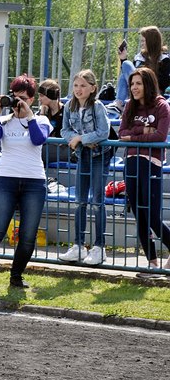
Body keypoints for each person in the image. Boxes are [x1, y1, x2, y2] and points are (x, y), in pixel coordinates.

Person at [0, 74, 53, 294]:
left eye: (23, 99)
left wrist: (29, 116)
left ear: (32, 99)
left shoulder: (41, 121)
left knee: (27, 235)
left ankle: (16, 276)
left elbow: (38, 139)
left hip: (34, 181)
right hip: (6, 179)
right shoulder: (3, 120)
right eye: (15, 97)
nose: (18, 102)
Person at [117, 67, 170, 279]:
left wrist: (133, 137)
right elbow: (121, 133)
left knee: (152, 216)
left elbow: (160, 136)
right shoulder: (130, 106)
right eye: (132, 84)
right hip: (131, 162)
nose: (134, 87)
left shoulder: (161, 106)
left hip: (151, 163)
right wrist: (141, 132)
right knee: (139, 215)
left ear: (148, 84)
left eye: (138, 83)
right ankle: (152, 263)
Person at [58, 69, 111, 266]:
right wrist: (75, 139)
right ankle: (78, 245)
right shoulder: (69, 106)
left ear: (92, 88)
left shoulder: (97, 106)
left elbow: (104, 131)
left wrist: (82, 138)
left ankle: (99, 247)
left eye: (83, 86)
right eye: (75, 85)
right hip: (83, 155)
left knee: (97, 201)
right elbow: (64, 130)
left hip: (99, 156)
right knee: (80, 201)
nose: (78, 89)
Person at [38, 78, 69, 166]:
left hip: (63, 148)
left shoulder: (67, 112)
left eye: (41, 96)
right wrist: (42, 114)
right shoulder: (42, 112)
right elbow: (38, 134)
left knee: (40, 153)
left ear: (51, 95)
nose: (39, 99)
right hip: (47, 147)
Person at [133, 26, 170, 94]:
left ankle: (120, 100)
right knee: (126, 64)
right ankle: (120, 100)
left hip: (152, 91)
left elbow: (164, 83)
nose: (141, 44)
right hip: (136, 88)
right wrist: (123, 59)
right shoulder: (139, 57)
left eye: (143, 41)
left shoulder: (164, 59)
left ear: (151, 41)